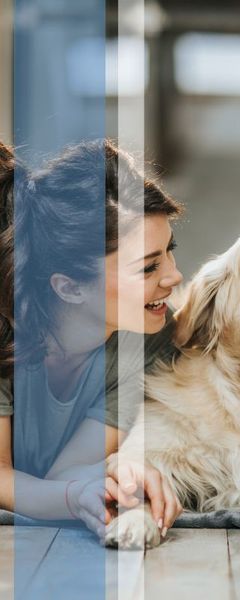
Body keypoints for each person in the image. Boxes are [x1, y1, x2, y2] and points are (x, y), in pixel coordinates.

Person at [0, 139, 184, 538]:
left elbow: (67, 472)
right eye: (149, 267)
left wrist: (122, 470)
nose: (174, 277)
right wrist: (72, 497)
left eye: (170, 251)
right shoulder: (6, 332)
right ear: (68, 287)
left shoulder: (150, 342)